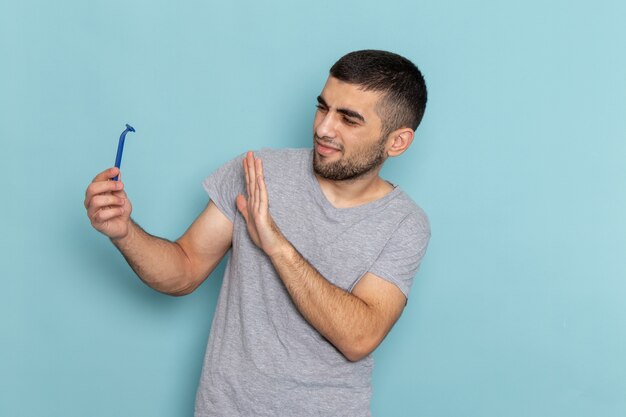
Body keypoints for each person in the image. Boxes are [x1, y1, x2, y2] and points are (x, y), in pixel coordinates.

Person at [84, 49, 430, 417]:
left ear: (397, 142)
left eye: (349, 119)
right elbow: (183, 271)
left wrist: (276, 246)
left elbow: (358, 338)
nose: (323, 128)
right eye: (323, 108)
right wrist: (123, 233)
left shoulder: (404, 223)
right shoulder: (257, 171)